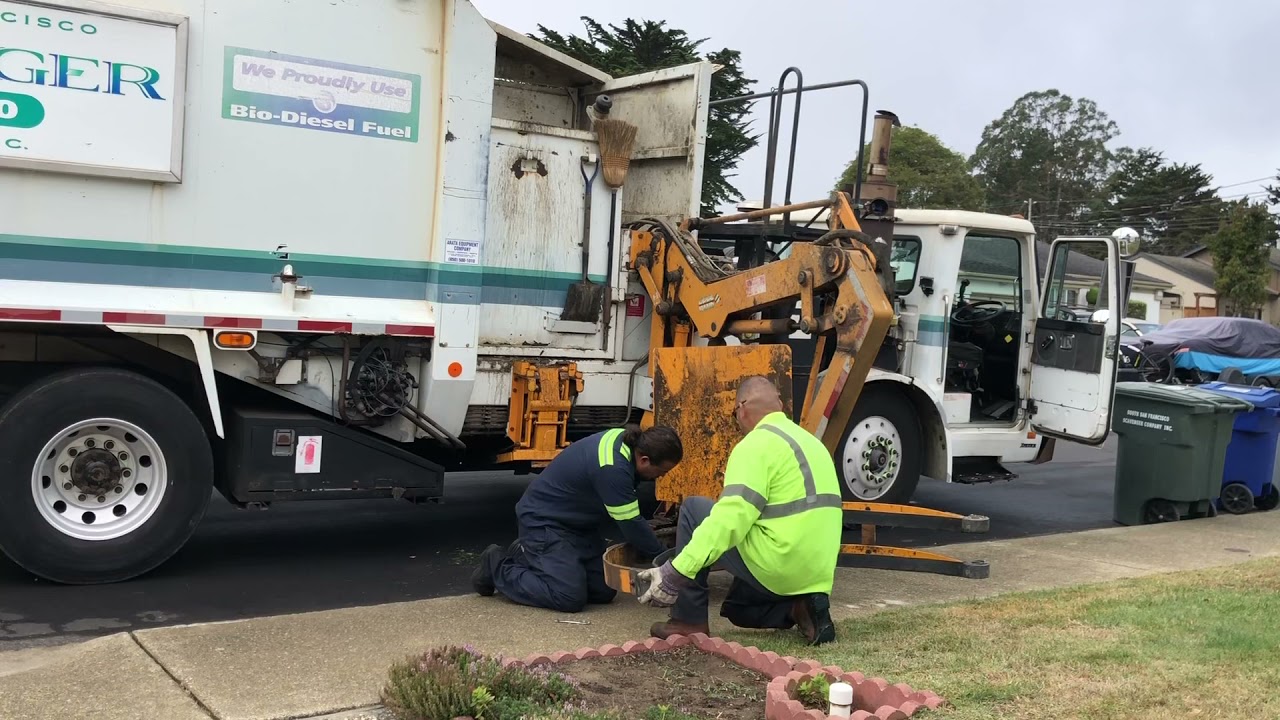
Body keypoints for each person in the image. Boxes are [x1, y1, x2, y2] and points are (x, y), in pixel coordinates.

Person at [637, 376, 841, 645]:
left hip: (780, 565)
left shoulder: (754, 446)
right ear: (779, 404)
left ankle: (688, 621)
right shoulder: (813, 444)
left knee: (694, 509)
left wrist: (677, 571)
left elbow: (730, 518)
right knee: (738, 608)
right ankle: (799, 606)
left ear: (741, 409)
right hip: (818, 574)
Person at [471, 425, 683, 613]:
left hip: (577, 525)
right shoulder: (613, 469)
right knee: (568, 596)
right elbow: (632, 525)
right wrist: (665, 562)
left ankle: (527, 553)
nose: (661, 476)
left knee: (604, 590)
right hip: (544, 523)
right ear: (644, 459)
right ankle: (497, 564)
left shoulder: (626, 441)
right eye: (662, 471)